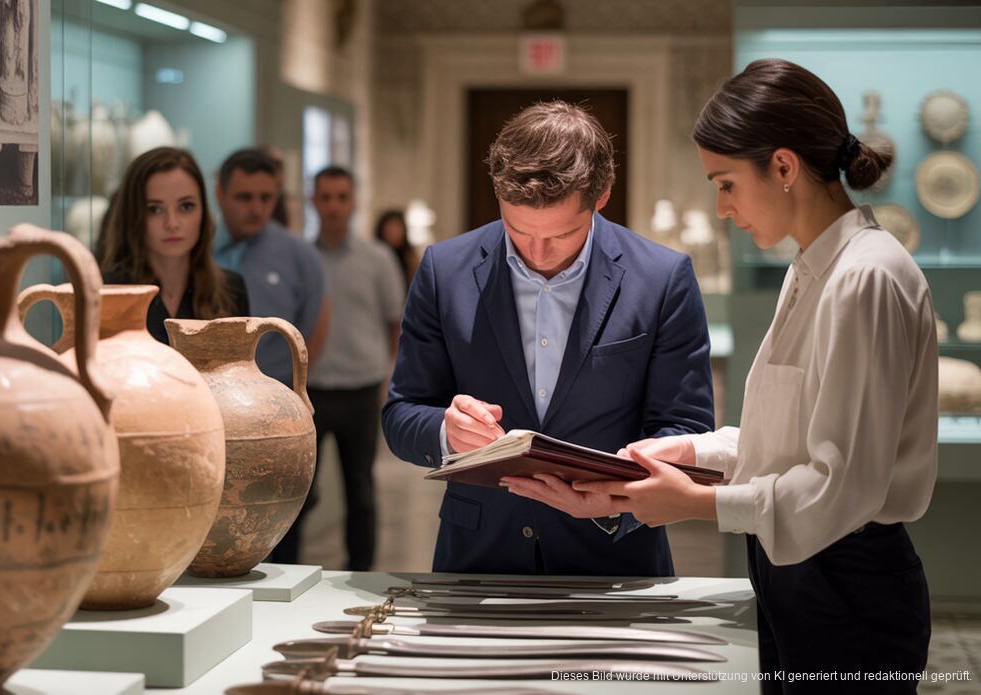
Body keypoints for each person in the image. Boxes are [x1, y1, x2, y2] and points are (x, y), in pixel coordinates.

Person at [563, 59, 936, 693]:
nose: (721, 208)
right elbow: (790, 440)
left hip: (849, 583)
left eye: (727, 183)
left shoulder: (865, 276)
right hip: (799, 570)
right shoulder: (814, 267)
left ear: (785, 167)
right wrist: (690, 450)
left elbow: (840, 486)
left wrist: (695, 503)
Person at [382, 101, 715, 576]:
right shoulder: (444, 270)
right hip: (479, 559)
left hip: (615, 560)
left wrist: (612, 500)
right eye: (517, 231)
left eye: (561, 235)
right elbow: (401, 413)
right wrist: (446, 431)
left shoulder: (663, 278)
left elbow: (686, 432)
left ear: (601, 197)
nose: (536, 254)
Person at [271, 166, 406, 570]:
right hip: (309, 392)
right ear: (314, 200)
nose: (333, 206)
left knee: (360, 490)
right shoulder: (301, 258)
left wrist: (388, 376)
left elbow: (394, 322)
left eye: (340, 197)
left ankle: (361, 575)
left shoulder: (378, 258)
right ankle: (286, 572)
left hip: (362, 390)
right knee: (297, 492)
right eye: (325, 197)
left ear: (353, 201)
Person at [97, 146, 248, 342]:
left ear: (203, 212)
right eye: (154, 209)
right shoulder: (106, 292)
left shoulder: (232, 290)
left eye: (186, 206)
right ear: (133, 215)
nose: (172, 224)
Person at [214, 147, 328, 386]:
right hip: (207, 392)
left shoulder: (300, 255)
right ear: (220, 194)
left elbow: (314, 331)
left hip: (277, 391)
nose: (256, 209)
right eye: (244, 197)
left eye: (266, 198)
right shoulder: (196, 250)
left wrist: (295, 389)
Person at [375, 209, 418, 289]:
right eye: (390, 226)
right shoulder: (375, 255)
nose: (394, 231)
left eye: (397, 226)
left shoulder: (410, 257)